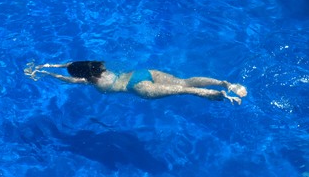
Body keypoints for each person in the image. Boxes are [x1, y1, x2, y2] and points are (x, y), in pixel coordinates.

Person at [24, 61, 247, 104]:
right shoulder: (96, 66)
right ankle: (224, 83)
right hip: (142, 73)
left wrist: (45, 74)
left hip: (139, 87)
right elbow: (70, 64)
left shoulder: (89, 80)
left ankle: (223, 97)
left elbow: (67, 77)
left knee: (185, 91)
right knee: (184, 81)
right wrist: (47, 65)